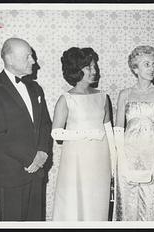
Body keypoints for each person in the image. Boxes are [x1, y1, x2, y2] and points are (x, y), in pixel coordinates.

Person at [0, 38, 52, 221]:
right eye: (28, 57)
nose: (34, 62)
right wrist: (31, 158)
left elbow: (45, 124)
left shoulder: (35, 88)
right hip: (11, 175)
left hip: (37, 173)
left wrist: (42, 153)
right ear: (10, 59)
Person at [51, 47, 116, 221]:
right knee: (75, 203)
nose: (94, 71)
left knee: (97, 204)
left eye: (95, 67)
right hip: (76, 160)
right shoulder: (66, 98)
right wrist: (86, 133)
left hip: (100, 159)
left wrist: (115, 163)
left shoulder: (103, 97)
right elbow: (56, 133)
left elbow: (109, 130)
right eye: (89, 67)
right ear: (75, 69)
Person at [113, 45, 154, 221]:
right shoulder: (125, 94)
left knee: (153, 207)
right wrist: (121, 161)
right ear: (135, 68)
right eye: (146, 64)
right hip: (128, 157)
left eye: (153, 64)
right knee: (128, 207)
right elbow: (118, 130)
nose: (152, 68)